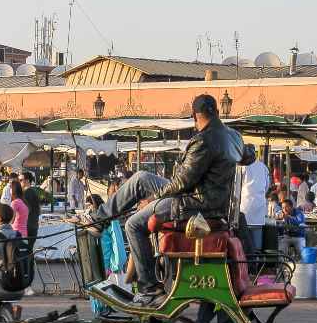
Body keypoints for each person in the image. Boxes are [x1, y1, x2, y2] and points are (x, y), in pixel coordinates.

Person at [79, 94, 244, 306]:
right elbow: (248, 156)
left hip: (194, 204)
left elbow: (181, 183)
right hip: (205, 198)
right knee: (140, 178)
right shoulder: (234, 136)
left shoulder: (203, 140)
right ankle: (100, 218)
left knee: (133, 224)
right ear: (217, 112)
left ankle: (149, 288)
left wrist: (153, 198)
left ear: (195, 116)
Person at [239, 145, 269, 255]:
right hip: (259, 209)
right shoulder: (263, 167)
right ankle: (256, 267)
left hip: (244, 208)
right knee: (257, 248)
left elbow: (237, 186)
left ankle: (249, 268)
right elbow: (266, 187)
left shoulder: (242, 166)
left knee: (244, 246)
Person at [21, 171, 41, 249]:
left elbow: (27, 210)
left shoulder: (27, 193)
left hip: (28, 225)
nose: (20, 182)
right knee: (29, 250)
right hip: (33, 224)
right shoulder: (33, 191)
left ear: (27, 181)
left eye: (21, 180)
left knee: (26, 251)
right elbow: (38, 209)